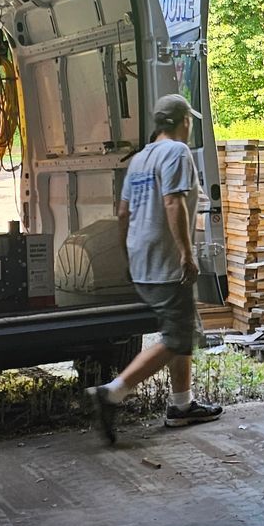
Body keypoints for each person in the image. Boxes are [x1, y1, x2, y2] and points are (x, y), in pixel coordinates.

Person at [88, 93, 222, 443]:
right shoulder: (176, 152)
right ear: (183, 122)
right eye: (189, 120)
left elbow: (122, 213)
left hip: (142, 258)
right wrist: (187, 253)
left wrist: (127, 254)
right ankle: (113, 392)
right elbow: (173, 202)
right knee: (178, 338)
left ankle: (181, 405)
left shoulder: (140, 159)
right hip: (166, 259)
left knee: (182, 327)